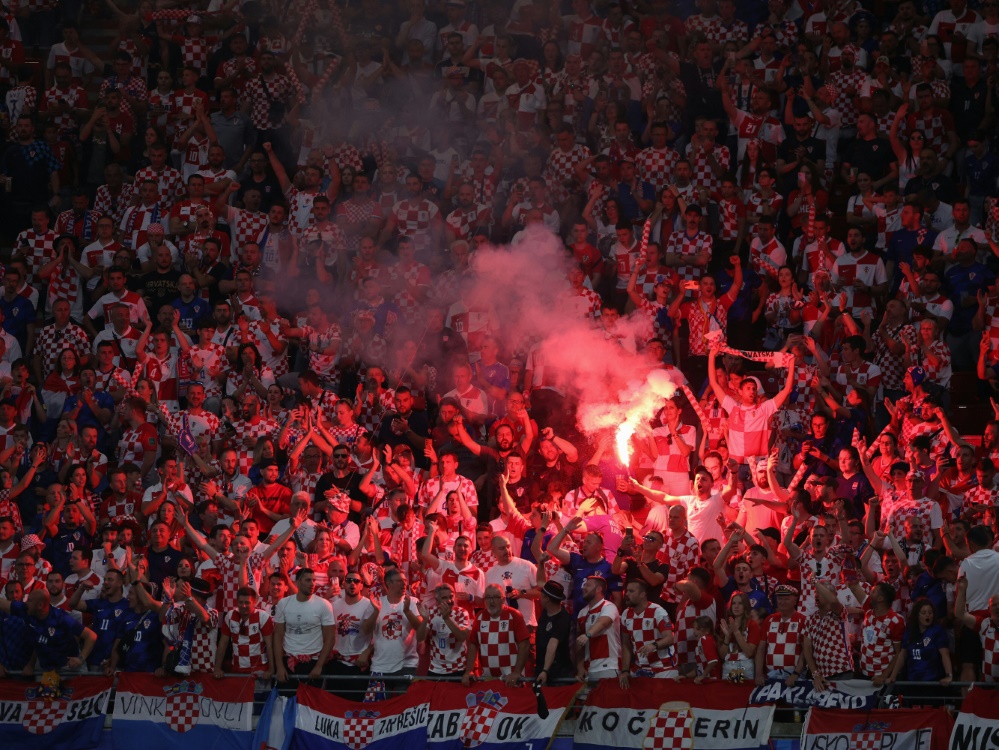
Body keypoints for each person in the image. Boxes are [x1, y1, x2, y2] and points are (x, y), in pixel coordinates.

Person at [273, 568, 336, 685]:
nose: (312, 584)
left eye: (314, 580)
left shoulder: (324, 604)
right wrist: (280, 666)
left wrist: (319, 666)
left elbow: (330, 638)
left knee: (311, 702)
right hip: (289, 660)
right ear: (298, 582)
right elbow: (278, 636)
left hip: (313, 661)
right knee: (286, 700)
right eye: (308, 580)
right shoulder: (283, 603)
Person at [463, 583, 530, 686]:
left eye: (495, 597)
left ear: (503, 599)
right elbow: (473, 644)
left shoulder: (514, 615)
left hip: (511, 679)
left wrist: (517, 673)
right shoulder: (480, 617)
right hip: (488, 678)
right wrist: (469, 671)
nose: (491, 601)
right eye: (488, 598)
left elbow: (524, 645)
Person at [534, 581, 572, 685]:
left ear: (547, 598)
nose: (539, 598)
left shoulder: (562, 618)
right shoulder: (545, 614)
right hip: (541, 670)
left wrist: (545, 670)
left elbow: (553, 644)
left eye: (541, 596)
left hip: (558, 675)